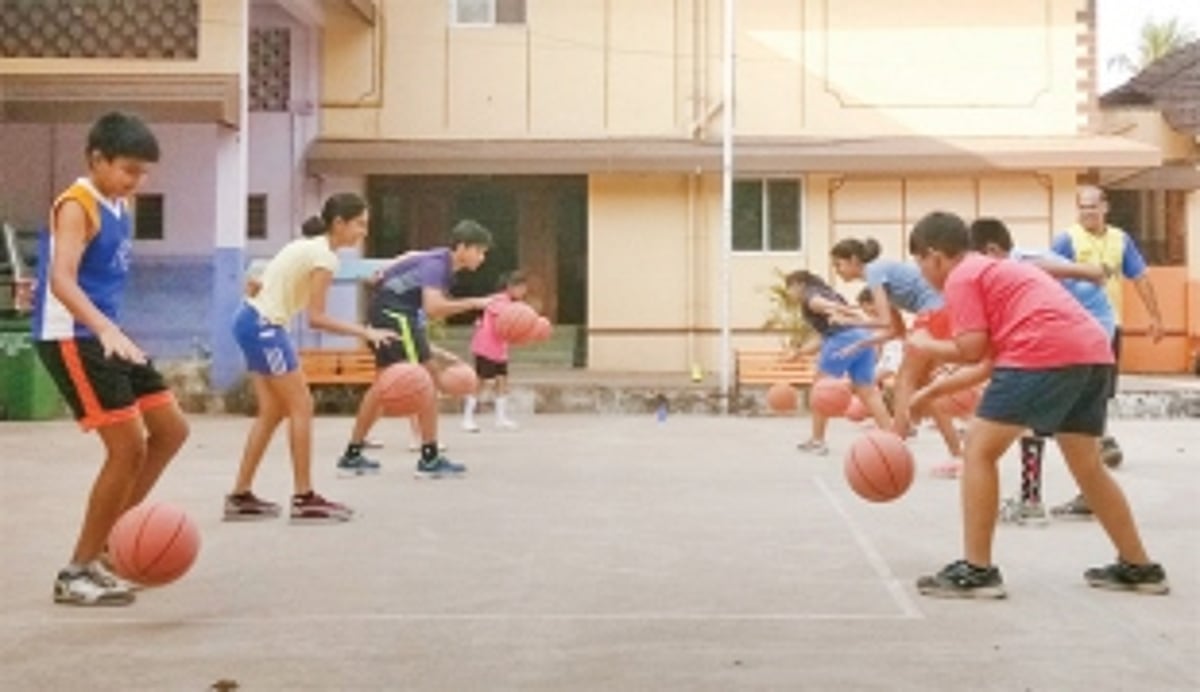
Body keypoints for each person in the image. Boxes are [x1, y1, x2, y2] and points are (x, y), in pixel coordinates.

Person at [905, 210, 1167, 599]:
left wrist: (926, 344)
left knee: (978, 452)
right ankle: (1139, 566)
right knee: (1089, 467)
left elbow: (970, 349)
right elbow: (989, 361)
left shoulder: (962, 276)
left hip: (1045, 353)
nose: (922, 273)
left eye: (920, 263)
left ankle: (977, 571)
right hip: (1091, 352)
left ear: (934, 255)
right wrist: (929, 393)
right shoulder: (995, 271)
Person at [32, 112, 190, 605]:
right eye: (127, 169)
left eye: (142, 173)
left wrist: (113, 330)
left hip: (106, 335)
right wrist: (102, 326)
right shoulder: (77, 205)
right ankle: (76, 571)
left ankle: (107, 545)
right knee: (127, 448)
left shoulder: (119, 204)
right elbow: (62, 278)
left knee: (171, 431)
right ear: (96, 159)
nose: (135, 181)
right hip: (73, 335)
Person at [227, 193, 395, 523]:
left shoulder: (306, 246)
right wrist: (367, 333)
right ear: (339, 223)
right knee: (301, 406)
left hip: (251, 320)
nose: (363, 232)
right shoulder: (323, 257)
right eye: (359, 224)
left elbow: (258, 283)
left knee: (273, 412)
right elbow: (316, 318)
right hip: (264, 327)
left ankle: (240, 496)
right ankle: (304, 499)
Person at [969, 217, 1116, 524]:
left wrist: (1089, 271)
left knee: (1029, 415)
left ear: (992, 250)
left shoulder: (1020, 262)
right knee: (1070, 430)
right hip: (1086, 336)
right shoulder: (1012, 268)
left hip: (1077, 333)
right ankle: (1090, 483)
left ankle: (1030, 498)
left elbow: (1090, 274)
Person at [337, 220, 493, 478]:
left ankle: (352, 455)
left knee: (382, 386)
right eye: (480, 250)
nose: (482, 257)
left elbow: (410, 257)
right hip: (396, 317)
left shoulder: (437, 258)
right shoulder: (437, 265)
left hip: (388, 314)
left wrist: (385, 270)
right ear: (463, 247)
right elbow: (433, 307)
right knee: (426, 381)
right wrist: (476, 302)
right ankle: (429, 458)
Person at [1049, 185, 1165, 517]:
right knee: (1082, 395)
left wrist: (1155, 318)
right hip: (1074, 331)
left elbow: (1140, 277)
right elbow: (1048, 280)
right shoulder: (1066, 240)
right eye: (1082, 207)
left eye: (1092, 206)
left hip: (1109, 328)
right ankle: (1100, 444)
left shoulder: (1120, 240)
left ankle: (1099, 446)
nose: (1087, 212)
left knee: (1101, 393)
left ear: (1105, 208)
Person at [830, 238, 964, 477]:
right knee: (925, 389)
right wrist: (859, 344)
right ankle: (958, 456)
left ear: (853, 260)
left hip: (935, 313)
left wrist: (849, 320)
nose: (837, 271)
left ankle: (894, 448)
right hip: (941, 313)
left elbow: (881, 321)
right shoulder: (880, 274)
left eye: (838, 264)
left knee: (904, 381)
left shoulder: (874, 272)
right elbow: (895, 330)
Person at [785, 271, 892, 455]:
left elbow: (820, 305)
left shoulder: (810, 295)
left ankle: (818, 440)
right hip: (862, 337)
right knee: (868, 392)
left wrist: (839, 309)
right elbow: (822, 337)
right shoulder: (828, 292)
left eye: (789, 288)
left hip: (842, 339)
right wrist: (800, 352)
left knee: (820, 388)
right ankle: (892, 439)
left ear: (798, 284)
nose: (789, 293)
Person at [462, 270, 529, 432]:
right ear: (511, 287)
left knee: (502, 380)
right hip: (486, 347)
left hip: (500, 349)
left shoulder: (512, 304)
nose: (523, 291)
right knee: (480, 381)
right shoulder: (498, 301)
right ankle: (467, 418)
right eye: (521, 288)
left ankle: (501, 417)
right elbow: (507, 319)